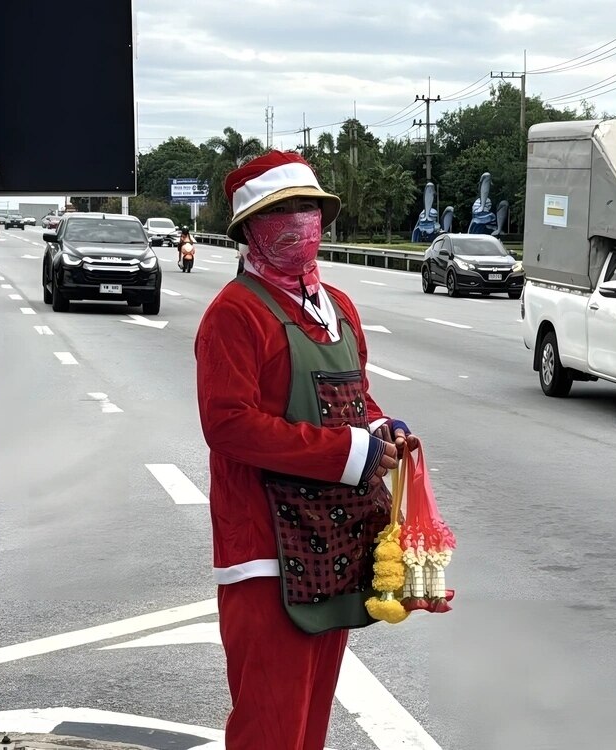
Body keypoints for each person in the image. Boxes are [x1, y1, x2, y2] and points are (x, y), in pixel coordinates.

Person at [194, 150, 419, 750]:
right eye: (283, 211)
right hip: (265, 550)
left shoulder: (339, 306)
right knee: (270, 726)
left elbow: (358, 396)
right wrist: (346, 453)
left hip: (333, 541)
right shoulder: (233, 313)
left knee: (310, 723)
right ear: (249, 230)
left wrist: (380, 430)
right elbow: (229, 426)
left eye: (309, 209)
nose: (301, 223)